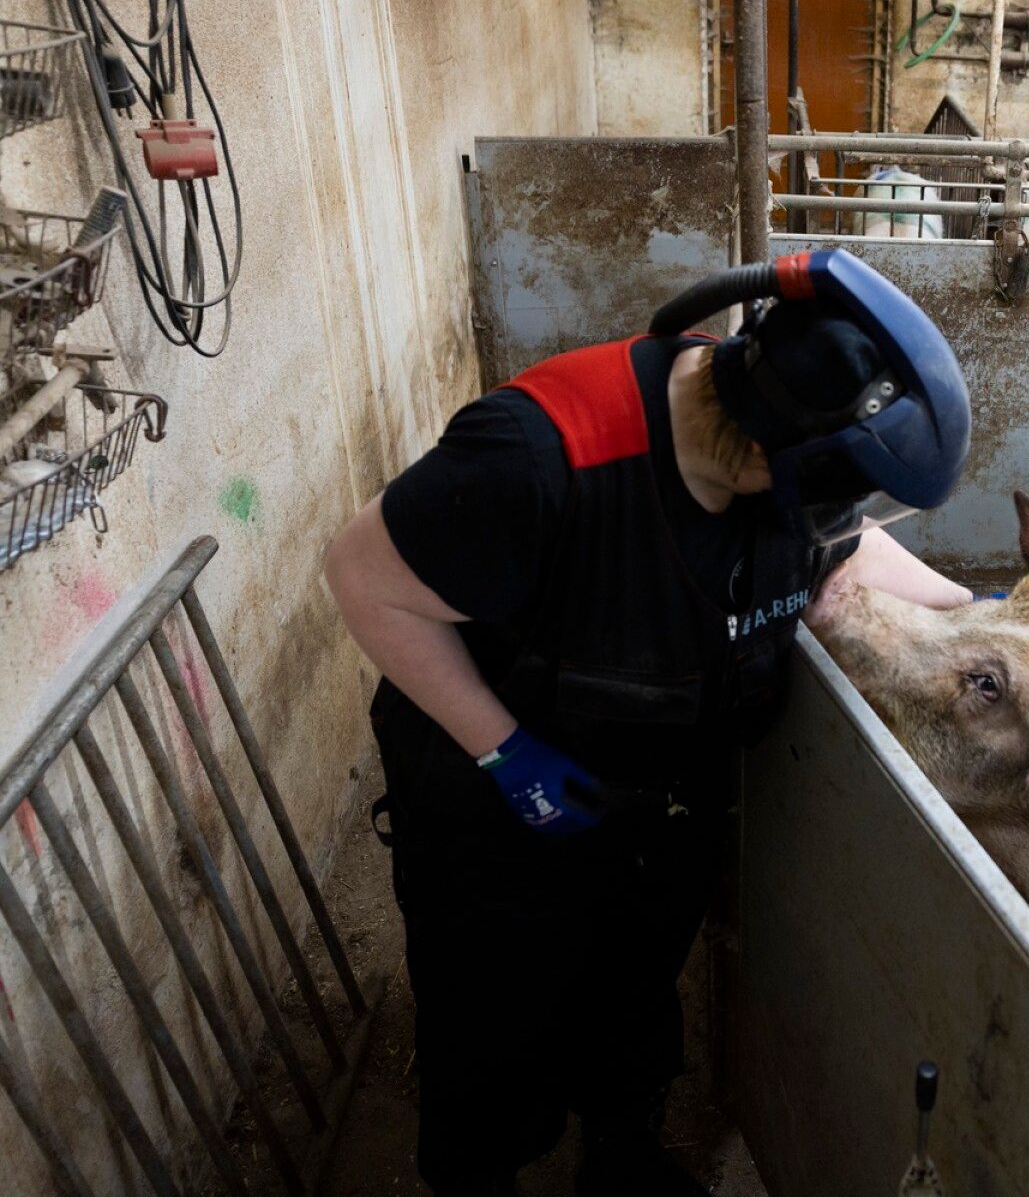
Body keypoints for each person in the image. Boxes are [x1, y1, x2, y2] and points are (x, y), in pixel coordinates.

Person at [324, 250, 972, 1195]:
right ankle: (478, 1180)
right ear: (758, 455)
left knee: (635, 991)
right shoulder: (537, 457)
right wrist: (504, 751)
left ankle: (621, 1165)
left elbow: (836, 544)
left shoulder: (771, 425)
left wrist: (980, 615)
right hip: (506, 794)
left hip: (661, 789)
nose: (828, 515)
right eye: (816, 489)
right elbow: (362, 578)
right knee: (490, 1019)